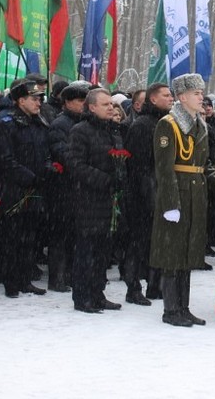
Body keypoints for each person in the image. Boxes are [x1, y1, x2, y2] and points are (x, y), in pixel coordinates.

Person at [150, 74, 215, 327]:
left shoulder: (200, 125)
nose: (201, 98)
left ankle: (183, 307)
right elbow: (164, 169)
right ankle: (171, 310)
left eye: (201, 93)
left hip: (196, 196)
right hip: (177, 195)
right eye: (196, 93)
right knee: (172, 255)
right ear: (182, 97)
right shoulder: (169, 124)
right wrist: (170, 204)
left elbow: (204, 166)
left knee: (187, 254)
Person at [66, 89, 124, 313]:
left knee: (103, 251)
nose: (111, 107)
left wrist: (121, 176)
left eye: (111, 104)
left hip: (109, 200)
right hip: (88, 199)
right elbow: (76, 165)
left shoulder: (112, 130)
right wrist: (104, 180)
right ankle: (82, 297)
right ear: (91, 107)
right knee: (86, 251)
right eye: (105, 104)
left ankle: (98, 293)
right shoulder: (80, 131)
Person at [0, 80, 53, 298]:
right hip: (14, 189)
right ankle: (11, 281)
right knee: (12, 237)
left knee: (30, 237)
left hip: (36, 188)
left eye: (40, 99)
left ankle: (25, 279)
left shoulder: (39, 123)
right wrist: (30, 178)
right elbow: (6, 159)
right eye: (34, 99)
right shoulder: (7, 123)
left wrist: (47, 170)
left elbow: (46, 152)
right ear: (21, 101)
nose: (39, 103)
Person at [123, 83, 172, 305]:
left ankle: (155, 284)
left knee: (158, 242)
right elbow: (139, 166)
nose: (171, 98)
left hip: (160, 190)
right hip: (142, 195)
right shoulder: (142, 125)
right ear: (153, 99)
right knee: (137, 243)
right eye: (166, 95)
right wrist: (148, 194)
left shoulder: (165, 123)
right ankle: (133, 287)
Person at [46, 84, 89, 292]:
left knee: (74, 235)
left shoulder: (82, 123)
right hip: (63, 188)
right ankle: (57, 277)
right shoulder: (60, 124)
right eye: (80, 101)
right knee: (60, 236)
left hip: (77, 188)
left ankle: (71, 274)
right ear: (68, 102)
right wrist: (82, 164)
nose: (84, 105)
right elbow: (62, 153)